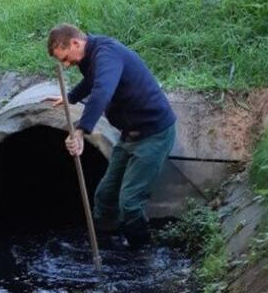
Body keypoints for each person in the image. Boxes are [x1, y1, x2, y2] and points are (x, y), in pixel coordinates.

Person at [46, 23, 177, 248]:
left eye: (66, 58)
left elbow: (102, 91)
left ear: (76, 42)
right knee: (105, 197)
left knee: (130, 203)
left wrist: (80, 130)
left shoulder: (107, 54)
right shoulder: (91, 56)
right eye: (62, 62)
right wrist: (72, 96)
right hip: (129, 136)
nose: (66, 66)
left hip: (153, 134)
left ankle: (141, 253)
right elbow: (92, 81)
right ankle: (108, 245)